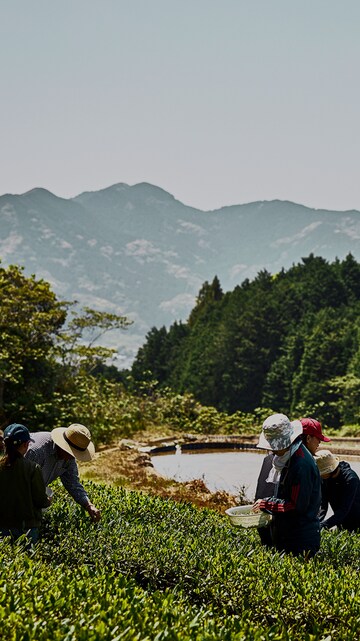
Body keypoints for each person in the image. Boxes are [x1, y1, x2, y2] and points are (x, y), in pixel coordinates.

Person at [252, 413, 321, 557]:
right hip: (286, 533)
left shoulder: (301, 465)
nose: (272, 451)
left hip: (300, 540)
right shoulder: (285, 458)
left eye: (274, 447)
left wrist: (267, 504)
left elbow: (296, 506)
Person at [25, 423, 101, 522]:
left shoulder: (68, 458)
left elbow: (73, 483)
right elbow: (18, 483)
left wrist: (88, 505)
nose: (72, 457)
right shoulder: (36, 451)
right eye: (71, 452)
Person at [0, 423, 50, 545]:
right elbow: (40, 500)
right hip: (26, 527)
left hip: (2, 525)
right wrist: (48, 500)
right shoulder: (32, 468)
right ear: (26, 444)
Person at [315, 449, 360, 532]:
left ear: (330, 470)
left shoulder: (351, 479)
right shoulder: (325, 478)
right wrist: (316, 523)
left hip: (356, 522)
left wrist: (323, 525)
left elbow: (344, 509)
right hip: (340, 520)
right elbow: (323, 505)